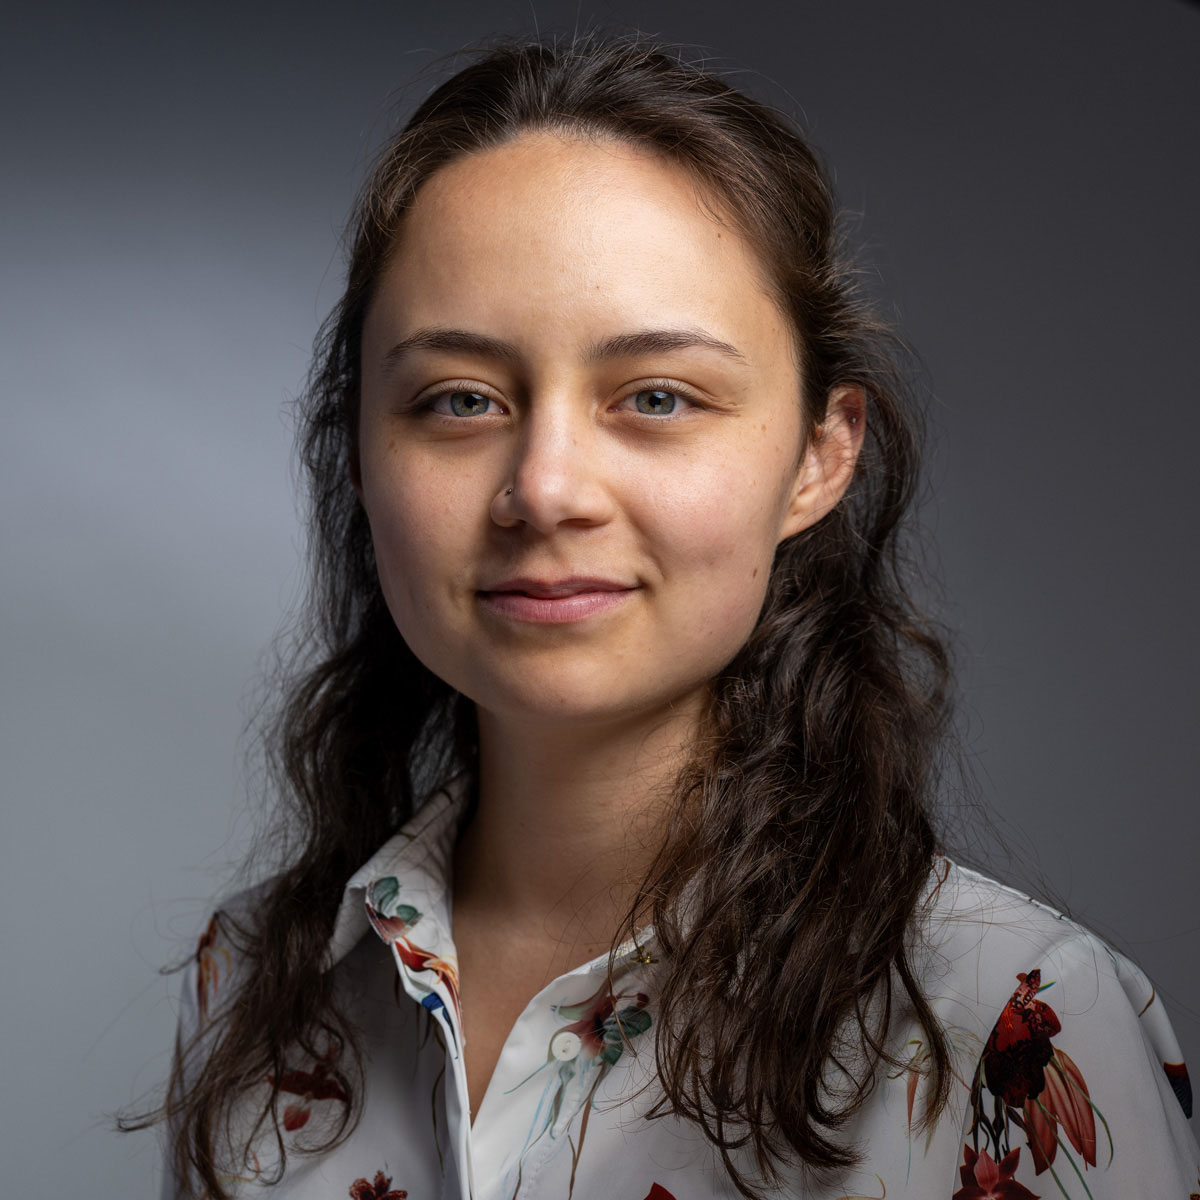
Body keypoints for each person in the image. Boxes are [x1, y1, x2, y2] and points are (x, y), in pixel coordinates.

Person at [141, 30, 1198, 1200]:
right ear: (358, 454)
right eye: (459, 400)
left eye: (656, 397)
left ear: (818, 453)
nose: (545, 487)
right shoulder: (254, 987)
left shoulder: (1009, 1027)